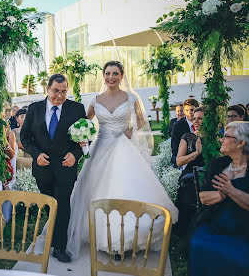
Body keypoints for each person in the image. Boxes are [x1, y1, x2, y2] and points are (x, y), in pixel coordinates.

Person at [66, 61, 178, 260]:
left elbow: (141, 119)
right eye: (107, 73)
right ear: (103, 75)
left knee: (123, 186)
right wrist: (83, 134)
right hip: (100, 147)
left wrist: (131, 130)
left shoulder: (130, 97)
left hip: (123, 146)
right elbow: (86, 121)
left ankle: (123, 240)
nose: (111, 77)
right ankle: (101, 235)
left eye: (115, 73)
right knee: (95, 187)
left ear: (122, 76)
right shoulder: (96, 100)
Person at [21, 73, 86, 263]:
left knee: (63, 204)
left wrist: (75, 154)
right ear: (47, 89)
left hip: (66, 168)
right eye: (56, 91)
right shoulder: (34, 109)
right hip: (43, 168)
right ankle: (55, 236)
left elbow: (84, 138)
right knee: (51, 204)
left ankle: (60, 247)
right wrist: (36, 154)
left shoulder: (76, 109)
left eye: (64, 91)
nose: (60, 95)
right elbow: (25, 138)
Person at [189, 121, 249, 276]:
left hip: (243, 228)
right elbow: (203, 197)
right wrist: (221, 194)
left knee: (240, 256)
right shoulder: (218, 164)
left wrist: (231, 191)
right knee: (198, 242)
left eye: (226, 136)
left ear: (241, 143)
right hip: (213, 222)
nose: (221, 140)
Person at [175, 106, 205, 236]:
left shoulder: (218, 137)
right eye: (195, 118)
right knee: (188, 190)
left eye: (200, 118)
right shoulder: (187, 137)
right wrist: (196, 153)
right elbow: (179, 161)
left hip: (208, 174)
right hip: (190, 174)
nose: (195, 121)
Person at [171, 98, 200, 166]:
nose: (189, 112)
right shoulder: (177, 125)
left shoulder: (202, 123)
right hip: (185, 160)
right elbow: (175, 147)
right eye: (187, 110)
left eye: (192, 110)